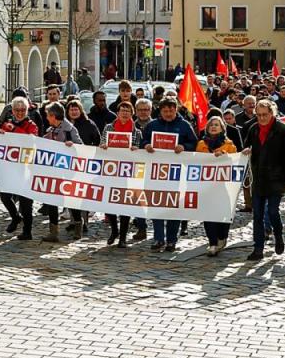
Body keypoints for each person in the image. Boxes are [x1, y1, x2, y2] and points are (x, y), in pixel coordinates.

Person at [242, 99, 285, 261]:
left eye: (264, 115)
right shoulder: (253, 129)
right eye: (258, 115)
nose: (261, 118)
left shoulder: (282, 130)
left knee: (273, 211)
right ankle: (258, 248)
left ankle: (278, 237)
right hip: (259, 179)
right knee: (257, 215)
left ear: (272, 113)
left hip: (277, 179)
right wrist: (246, 150)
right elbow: (246, 146)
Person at [141, 97, 198, 252]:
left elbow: (194, 143)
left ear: (176, 109)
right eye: (165, 111)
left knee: (174, 207)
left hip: (176, 174)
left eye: (171, 110)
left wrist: (183, 146)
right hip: (155, 174)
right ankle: (158, 238)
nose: (168, 114)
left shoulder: (184, 125)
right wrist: (146, 145)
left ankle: (172, 240)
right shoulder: (152, 125)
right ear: (160, 111)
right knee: (156, 205)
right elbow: (142, 141)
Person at [99, 101, 143, 248]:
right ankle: (114, 230)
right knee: (109, 203)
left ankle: (123, 237)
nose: (124, 113)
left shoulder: (136, 132)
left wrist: (136, 150)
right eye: (122, 110)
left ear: (132, 114)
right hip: (111, 172)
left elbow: (139, 152)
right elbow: (102, 143)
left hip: (127, 174)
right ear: (117, 113)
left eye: (128, 111)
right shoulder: (108, 128)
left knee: (125, 205)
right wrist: (103, 147)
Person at [39, 102, 83, 242]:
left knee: (71, 200)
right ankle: (53, 232)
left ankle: (78, 227)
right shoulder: (51, 130)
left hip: (68, 173)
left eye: (48, 115)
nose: (46, 118)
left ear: (53, 116)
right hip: (54, 172)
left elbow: (81, 147)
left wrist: (73, 146)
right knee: (52, 200)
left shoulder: (70, 130)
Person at [0, 97, 39, 239]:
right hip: (10, 168)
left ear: (27, 110)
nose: (20, 113)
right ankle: (15, 217)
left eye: (23, 110)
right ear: (12, 111)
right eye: (17, 110)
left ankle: (27, 231)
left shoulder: (32, 125)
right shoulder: (6, 124)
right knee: (4, 196)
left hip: (26, 168)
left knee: (26, 201)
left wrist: (15, 129)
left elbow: (30, 140)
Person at [198, 116, 238, 257]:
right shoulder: (201, 144)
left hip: (224, 186)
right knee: (208, 215)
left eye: (217, 125)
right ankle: (212, 243)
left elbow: (235, 162)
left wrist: (225, 155)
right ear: (207, 128)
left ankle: (222, 237)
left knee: (223, 214)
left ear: (222, 128)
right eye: (211, 125)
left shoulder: (229, 145)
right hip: (206, 186)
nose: (214, 127)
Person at [66, 100, 101, 238]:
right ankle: (73, 220)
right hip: (68, 164)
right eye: (71, 110)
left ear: (80, 110)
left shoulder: (89, 124)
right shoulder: (64, 125)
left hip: (85, 163)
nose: (74, 112)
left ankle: (84, 221)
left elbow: (97, 140)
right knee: (69, 192)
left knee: (82, 193)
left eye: (76, 109)